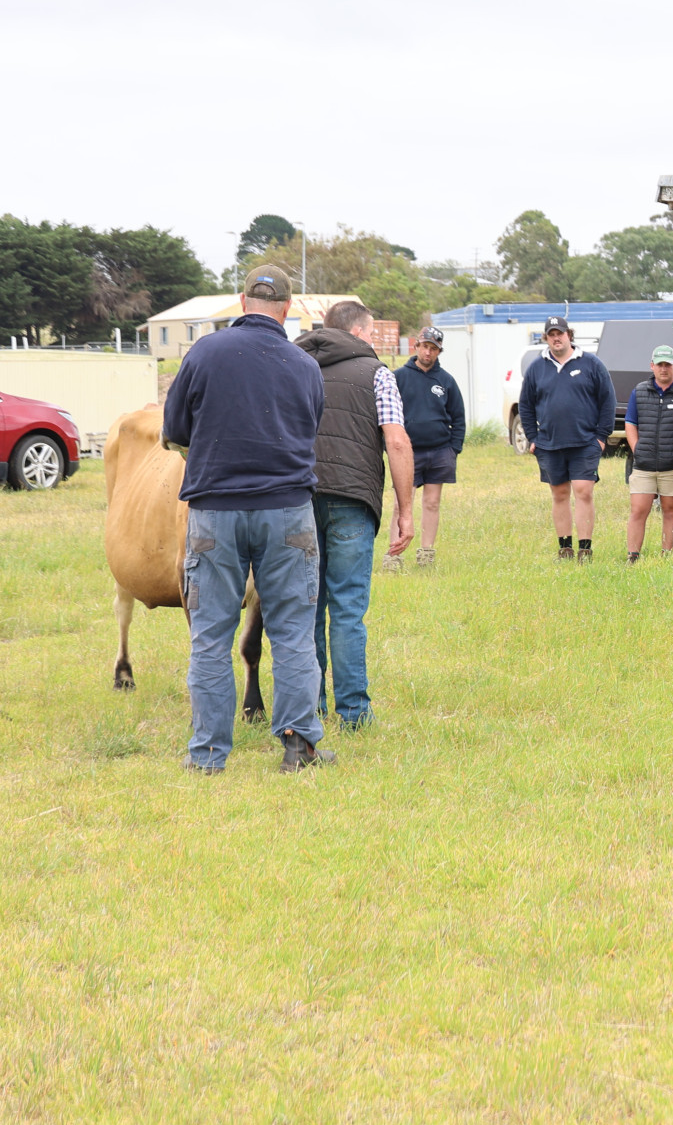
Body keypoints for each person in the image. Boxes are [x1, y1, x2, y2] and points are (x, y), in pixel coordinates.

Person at [161, 264, 329, 773]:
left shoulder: (204, 353)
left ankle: (208, 755)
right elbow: (310, 431)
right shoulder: (305, 366)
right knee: (294, 633)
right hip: (288, 513)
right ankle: (298, 750)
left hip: (215, 512)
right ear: (286, 309)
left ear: (241, 301)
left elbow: (174, 431)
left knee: (210, 636)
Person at [297, 298, 416, 726]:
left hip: (298, 501)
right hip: (353, 500)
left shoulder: (295, 364)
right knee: (347, 608)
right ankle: (354, 713)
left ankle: (308, 706)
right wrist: (406, 511)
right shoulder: (377, 374)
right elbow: (397, 441)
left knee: (307, 606)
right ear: (361, 333)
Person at [519, 315, 615, 559]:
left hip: (585, 442)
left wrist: (601, 436)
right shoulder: (536, 368)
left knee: (583, 490)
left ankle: (585, 548)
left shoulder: (591, 363)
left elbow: (608, 401)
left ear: (568, 335)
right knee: (559, 494)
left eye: (560, 333)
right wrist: (532, 437)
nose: (556, 338)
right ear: (546, 338)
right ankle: (565, 548)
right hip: (549, 443)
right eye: (551, 334)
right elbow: (526, 405)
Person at [391, 324, 463, 569]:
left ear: (439, 352)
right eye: (425, 347)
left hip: (440, 452)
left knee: (432, 503)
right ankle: (394, 555)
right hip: (407, 452)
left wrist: (454, 449)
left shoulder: (446, 381)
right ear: (416, 346)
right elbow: (386, 415)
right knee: (401, 503)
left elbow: (459, 417)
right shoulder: (399, 377)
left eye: (434, 349)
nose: (428, 352)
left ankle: (426, 554)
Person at [623, 343, 673, 563]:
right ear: (652, 366)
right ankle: (633, 556)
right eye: (660, 364)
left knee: (670, 509)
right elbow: (630, 423)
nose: (664, 369)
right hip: (644, 464)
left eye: (668, 364)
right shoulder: (638, 392)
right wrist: (637, 448)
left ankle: (667, 555)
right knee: (639, 509)